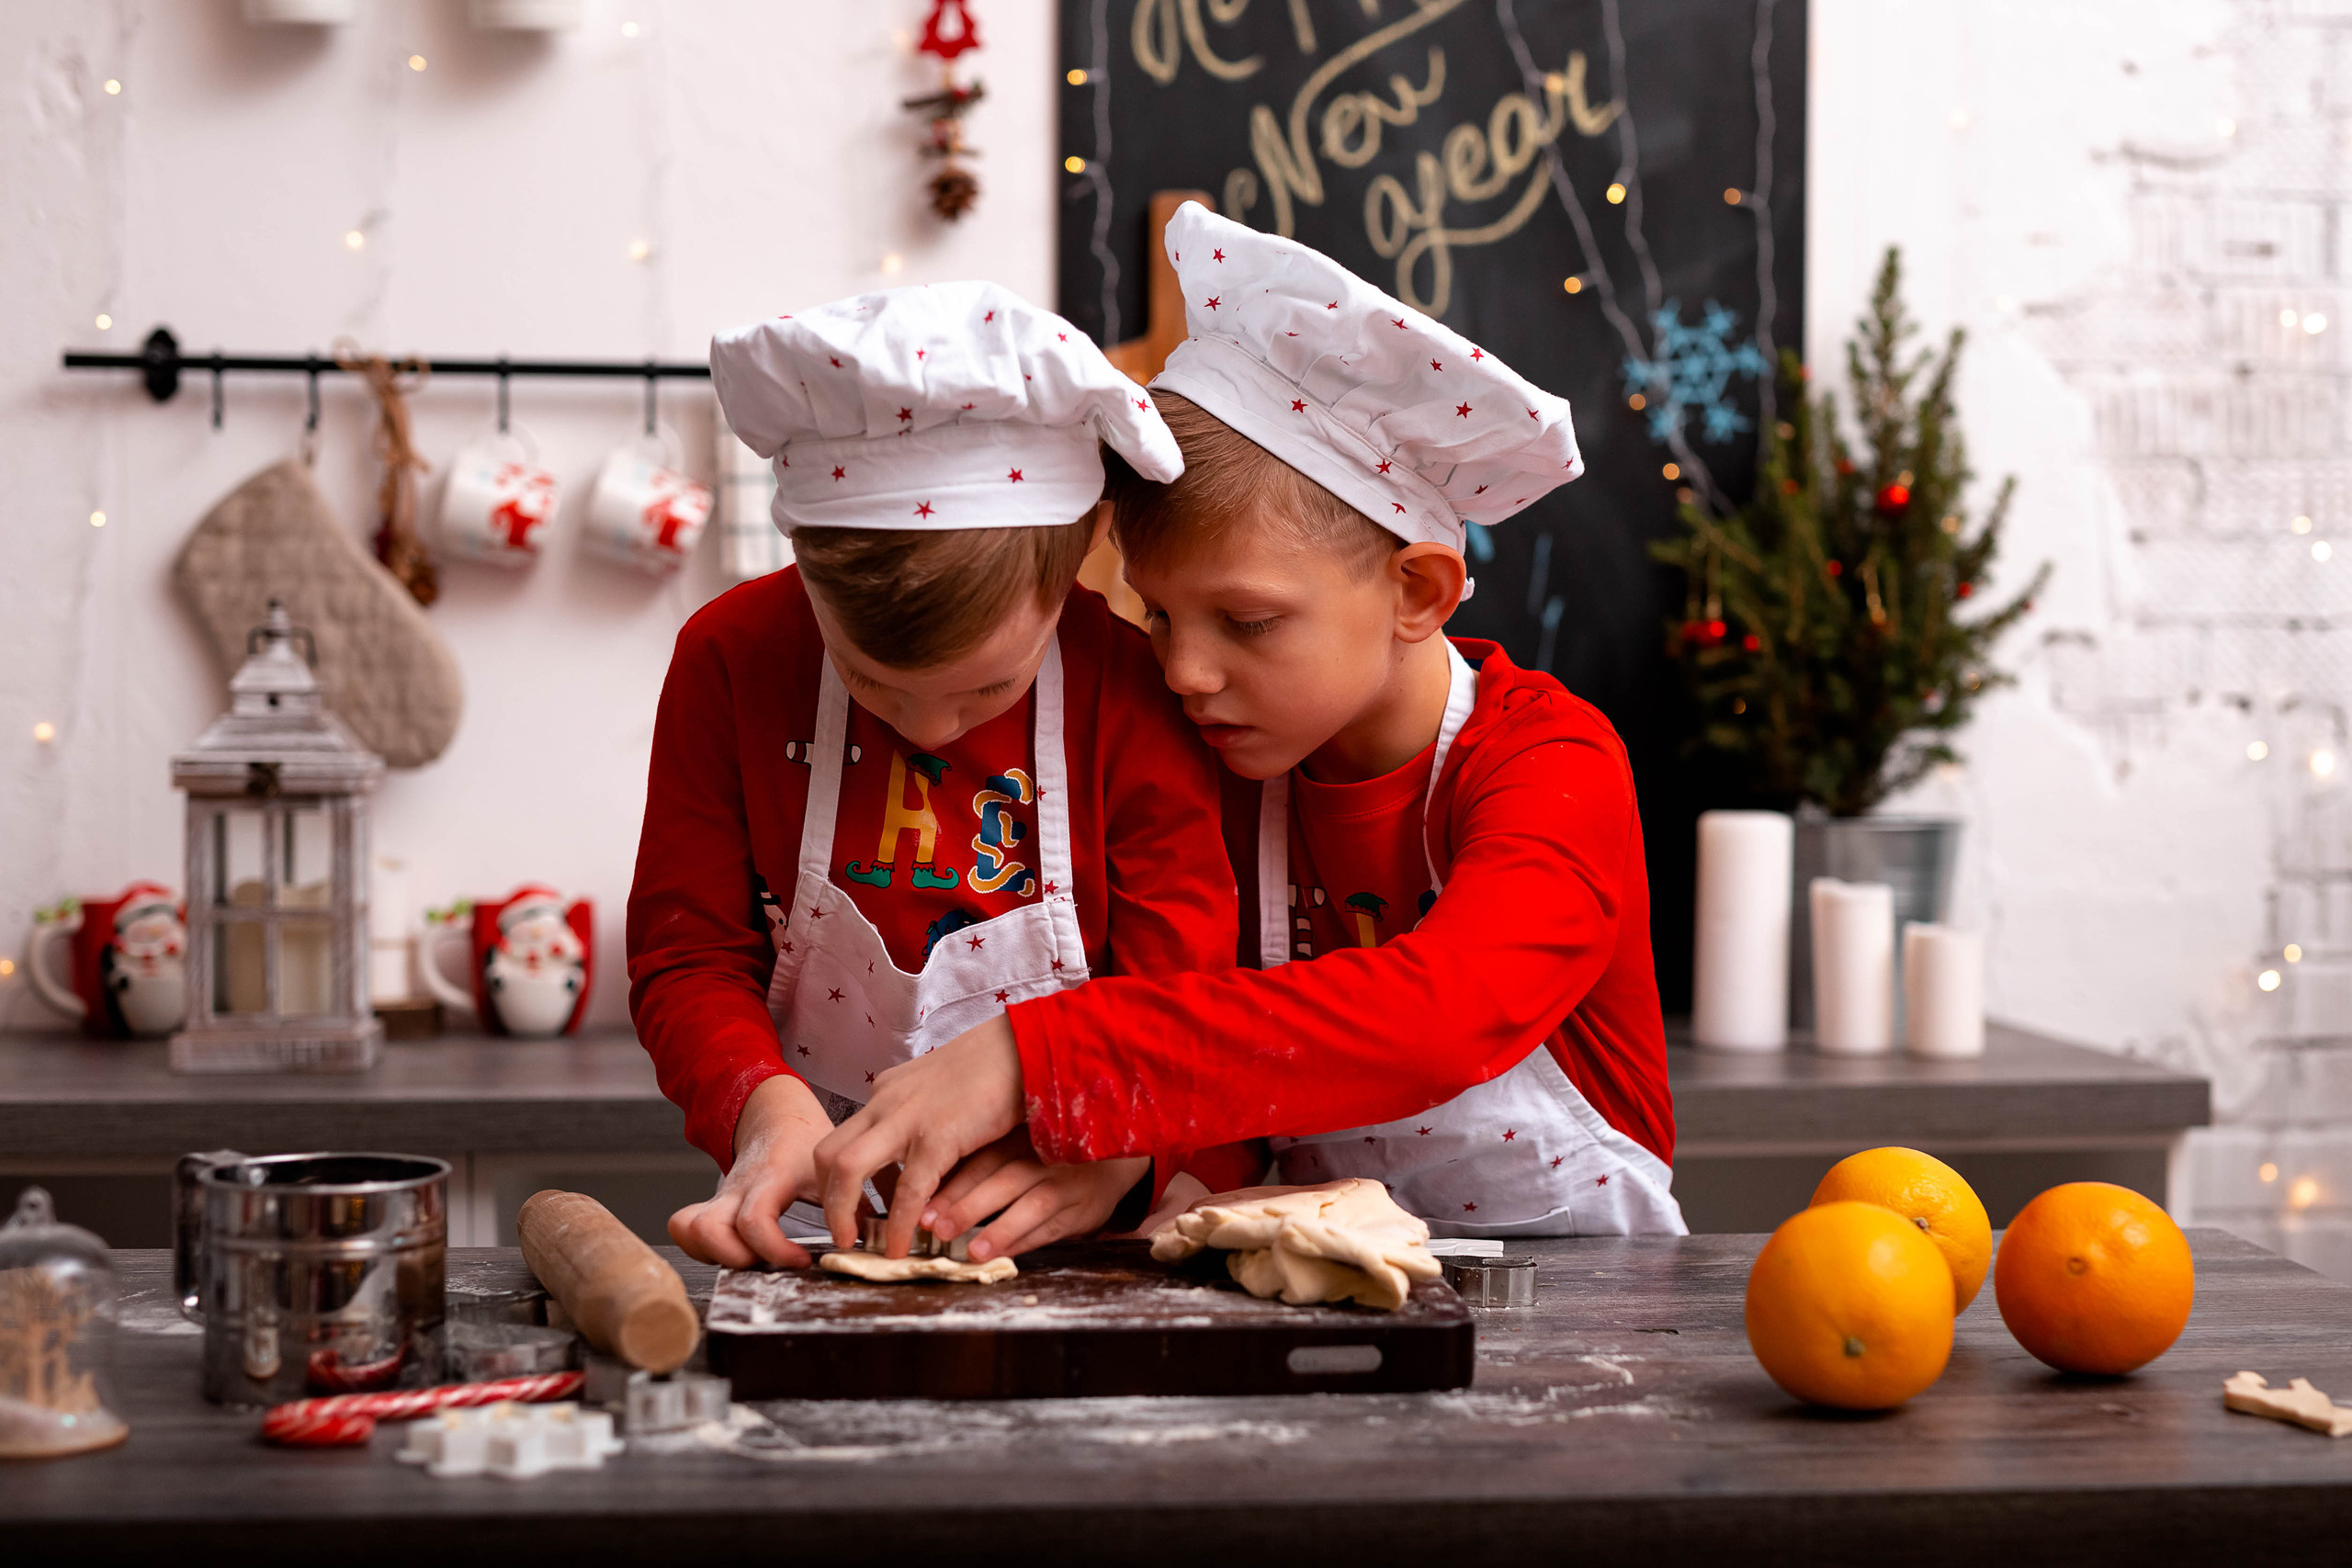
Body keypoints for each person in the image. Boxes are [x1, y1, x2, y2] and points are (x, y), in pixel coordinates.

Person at [817, 204, 1684, 1261]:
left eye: (1249, 621)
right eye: (1158, 613)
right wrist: (1148, 1163)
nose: (1182, 670)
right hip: (1309, 1290)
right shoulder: (1216, 764)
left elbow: (1442, 1013)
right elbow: (1228, 1066)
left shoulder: (1548, 763)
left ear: (1417, 590)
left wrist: (1035, 1059)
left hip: (1591, 1310)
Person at [630, 280, 1250, 1272]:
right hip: (803, 1214)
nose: (927, 727)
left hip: (1063, 1209)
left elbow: (1184, 987)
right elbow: (687, 956)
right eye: (869, 680)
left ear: (1081, 557)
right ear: (802, 558)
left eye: (986, 689)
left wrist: (1121, 1159)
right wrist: (760, 1106)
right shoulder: (732, 661)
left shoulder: (1127, 692)